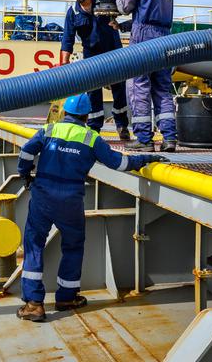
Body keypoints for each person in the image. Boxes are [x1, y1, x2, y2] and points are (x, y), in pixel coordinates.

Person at [15, 94, 164, 322]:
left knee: (34, 245)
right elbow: (119, 163)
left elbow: (26, 151)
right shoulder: (91, 138)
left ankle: (34, 304)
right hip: (71, 201)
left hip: (42, 198)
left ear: (65, 112)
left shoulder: (49, 130)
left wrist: (25, 173)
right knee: (73, 247)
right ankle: (66, 297)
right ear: (86, 115)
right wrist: (146, 158)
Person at [106, 0, 177, 152]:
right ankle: (169, 138)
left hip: (143, 39)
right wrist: (123, 26)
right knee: (162, 89)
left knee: (139, 87)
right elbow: (151, 16)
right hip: (164, 39)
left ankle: (144, 139)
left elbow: (125, 6)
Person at [60, 0, 131, 140]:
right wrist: (64, 63)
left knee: (119, 90)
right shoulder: (73, 12)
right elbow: (67, 39)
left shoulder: (105, 1)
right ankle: (94, 129)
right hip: (91, 58)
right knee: (93, 93)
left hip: (114, 53)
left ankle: (122, 125)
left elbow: (126, 5)